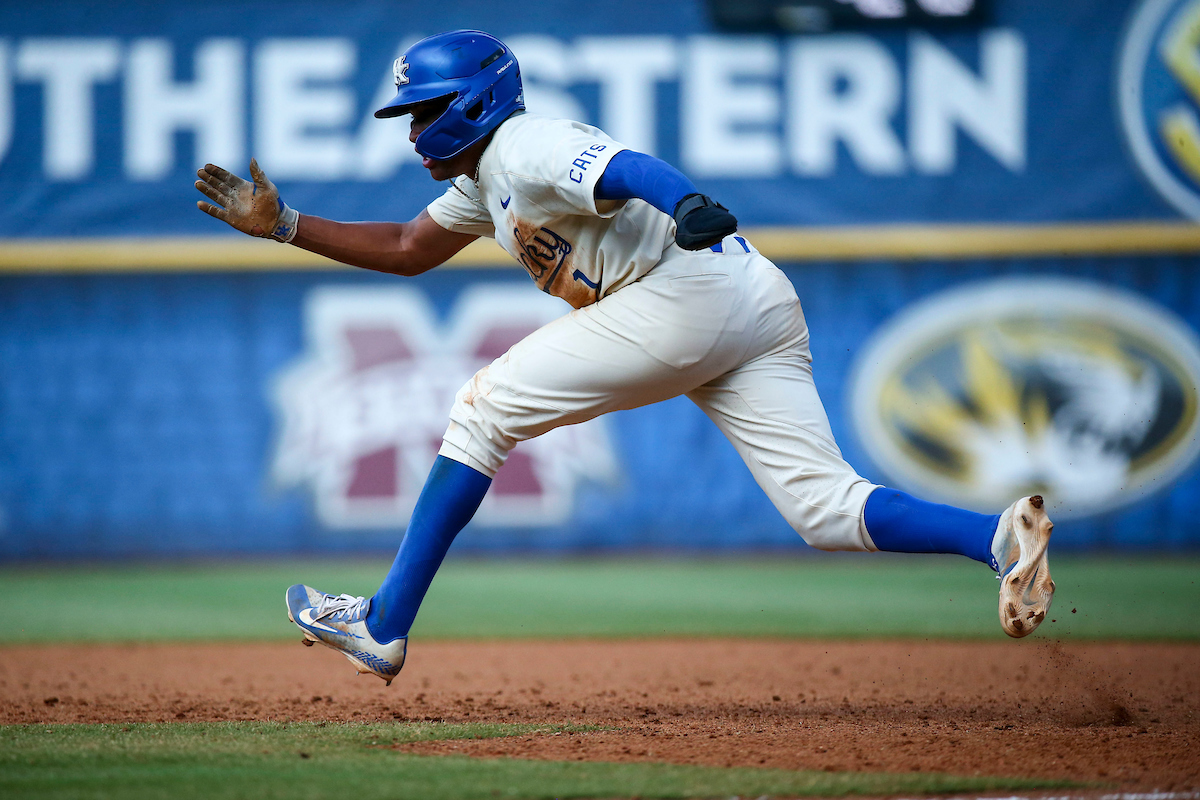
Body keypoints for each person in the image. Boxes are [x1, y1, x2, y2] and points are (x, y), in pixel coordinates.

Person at [194, 30, 1054, 686]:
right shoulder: (482, 181)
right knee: (825, 512)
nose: (414, 129)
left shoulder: (524, 145)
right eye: (410, 115)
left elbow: (623, 166)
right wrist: (285, 225)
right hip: (749, 298)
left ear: (474, 103)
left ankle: (383, 624)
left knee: (481, 409)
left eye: (426, 110)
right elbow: (408, 245)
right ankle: (996, 540)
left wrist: (687, 201)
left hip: (688, 292)